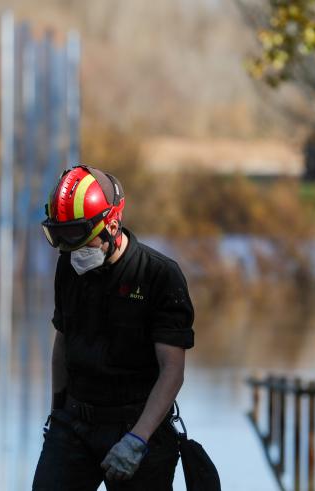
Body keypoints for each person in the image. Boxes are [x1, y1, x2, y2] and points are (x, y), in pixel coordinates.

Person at [32, 164, 195, 490]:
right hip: (75, 423)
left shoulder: (159, 276)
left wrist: (138, 439)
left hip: (137, 424)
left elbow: (172, 371)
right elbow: (61, 345)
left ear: (112, 224)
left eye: (77, 236)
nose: (70, 248)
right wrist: (57, 415)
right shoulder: (68, 266)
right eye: (60, 237)